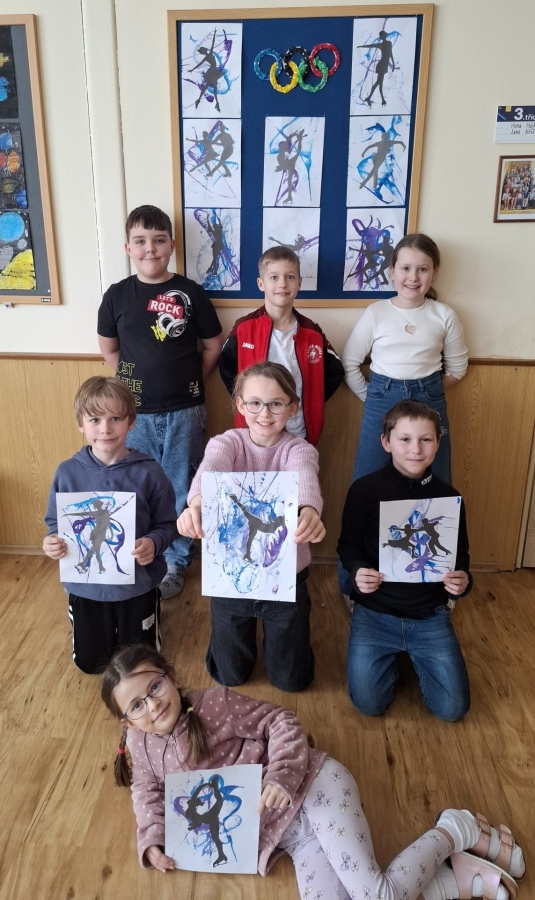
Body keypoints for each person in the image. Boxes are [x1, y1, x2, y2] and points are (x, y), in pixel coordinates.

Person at [100, 643, 525, 900]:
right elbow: (146, 791)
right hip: (291, 835)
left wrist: (281, 775)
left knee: (376, 896)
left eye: (155, 686)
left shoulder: (216, 705)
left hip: (315, 787)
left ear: (171, 676)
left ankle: (457, 829)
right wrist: (151, 839)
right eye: (136, 705)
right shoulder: (140, 745)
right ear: (126, 721)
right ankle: (456, 881)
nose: (152, 704)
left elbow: (280, 720)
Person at [97, 204, 223, 600]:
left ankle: (176, 562)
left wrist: (190, 382)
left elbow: (213, 345)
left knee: (181, 486)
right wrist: (132, 387)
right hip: (133, 415)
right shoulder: (117, 295)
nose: (149, 248)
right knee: (138, 486)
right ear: (128, 248)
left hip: (186, 411)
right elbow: (109, 349)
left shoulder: (191, 293)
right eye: (140, 241)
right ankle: (139, 554)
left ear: (171, 245)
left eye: (158, 240)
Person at [178, 362, 324, 692]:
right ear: (240, 405)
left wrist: (309, 510)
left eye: (276, 403)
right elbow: (211, 470)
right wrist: (196, 505)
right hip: (232, 576)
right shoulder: (227, 442)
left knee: (291, 680)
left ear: (292, 407)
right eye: (255, 403)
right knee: (229, 674)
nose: (265, 413)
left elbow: (305, 479)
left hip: (286, 576)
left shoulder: (298, 449)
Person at [340, 233, 468, 595]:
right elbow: (351, 363)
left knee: (436, 485)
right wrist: (373, 399)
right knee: (366, 484)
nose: (413, 277)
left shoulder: (443, 315)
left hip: (430, 399)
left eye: (422, 269)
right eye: (406, 268)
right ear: (392, 271)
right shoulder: (376, 313)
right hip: (381, 399)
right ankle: (354, 583)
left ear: (434, 273)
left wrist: (426, 395)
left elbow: (457, 368)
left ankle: (437, 583)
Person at [338, 400, 472, 721]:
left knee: (453, 709)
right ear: (386, 442)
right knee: (369, 703)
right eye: (405, 439)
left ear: (437, 444)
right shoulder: (364, 491)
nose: (416, 449)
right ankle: (396, 660)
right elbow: (348, 546)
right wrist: (357, 571)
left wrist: (462, 581)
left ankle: (411, 656)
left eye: (426, 439)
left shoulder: (448, 497)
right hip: (375, 611)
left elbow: (461, 557)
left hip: (430, 615)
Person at [43, 377, 177, 675]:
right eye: (95, 419)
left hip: (137, 585)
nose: (105, 428)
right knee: (91, 664)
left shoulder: (150, 473)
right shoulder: (66, 473)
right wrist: (52, 540)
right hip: (86, 588)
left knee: (140, 665)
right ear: (81, 424)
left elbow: (168, 524)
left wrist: (153, 543)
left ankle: (150, 612)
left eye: (115, 418)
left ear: (131, 422)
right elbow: (55, 522)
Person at [218, 246, 344, 446]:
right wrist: (247, 400)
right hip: (254, 431)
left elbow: (335, 371)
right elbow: (225, 365)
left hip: (298, 431)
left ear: (299, 283)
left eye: (290, 277)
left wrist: (311, 401)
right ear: (261, 284)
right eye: (274, 277)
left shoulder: (312, 332)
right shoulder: (244, 328)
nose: (282, 284)